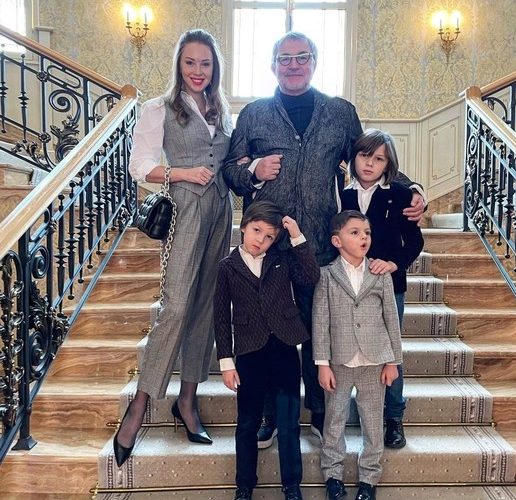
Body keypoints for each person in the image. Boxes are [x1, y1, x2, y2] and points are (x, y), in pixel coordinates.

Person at [222, 31, 425, 447]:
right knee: (268, 332)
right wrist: (254, 170)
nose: (293, 64)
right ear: (273, 65)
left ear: (314, 62)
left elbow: (370, 159)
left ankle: (319, 411)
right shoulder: (254, 114)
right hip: (268, 249)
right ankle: (270, 414)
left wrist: (413, 188)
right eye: (285, 58)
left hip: (318, 247)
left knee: (319, 331)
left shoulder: (339, 112)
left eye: (302, 57)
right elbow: (231, 171)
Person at [113, 29, 233, 467]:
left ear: (214, 68)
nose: (198, 71)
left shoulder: (223, 110)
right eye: (190, 62)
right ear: (179, 65)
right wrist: (182, 173)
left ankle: (187, 400)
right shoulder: (158, 108)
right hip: (184, 208)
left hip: (221, 213)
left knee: (205, 305)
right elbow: (139, 166)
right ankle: (141, 403)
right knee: (177, 306)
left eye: (205, 63)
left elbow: (228, 161)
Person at [214, 201, 320, 500]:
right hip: (249, 352)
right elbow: (220, 316)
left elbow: (311, 276)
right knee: (247, 422)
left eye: (269, 236)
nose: (260, 240)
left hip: (284, 347)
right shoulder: (227, 267)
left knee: (288, 423)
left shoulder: (282, 259)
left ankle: (292, 486)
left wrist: (296, 236)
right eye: (257, 231)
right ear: (244, 226)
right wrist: (226, 362)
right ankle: (244, 486)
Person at [340, 129, 424, 450]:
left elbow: (415, 241)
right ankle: (350, 409)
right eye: (364, 156)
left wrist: (394, 263)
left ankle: (394, 416)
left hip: (388, 287)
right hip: (348, 288)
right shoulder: (342, 195)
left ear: (388, 164)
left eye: (378, 159)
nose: (369, 164)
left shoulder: (400, 196)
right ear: (354, 157)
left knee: (389, 351)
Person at [312, 211, 403, 500]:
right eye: (355, 232)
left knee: (373, 422)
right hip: (339, 361)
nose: (363, 237)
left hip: (374, 361)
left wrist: (393, 361)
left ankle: (369, 479)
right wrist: (322, 364)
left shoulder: (380, 274)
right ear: (336, 241)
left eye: (367, 232)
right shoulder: (326, 275)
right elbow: (320, 322)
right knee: (334, 420)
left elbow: (391, 319)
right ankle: (333, 476)